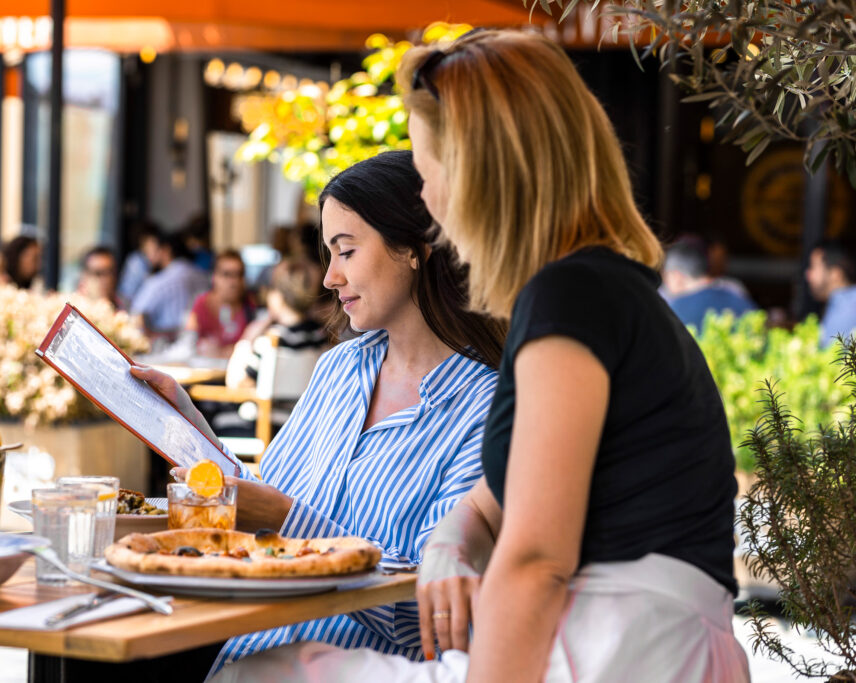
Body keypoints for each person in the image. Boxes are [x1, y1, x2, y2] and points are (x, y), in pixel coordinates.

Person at [213, 29, 748, 683]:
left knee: (266, 673)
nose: (428, 200)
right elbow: (517, 492)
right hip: (643, 646)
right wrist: (454, 534)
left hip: (614, 650)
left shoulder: (568, 298)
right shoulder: (600, 289)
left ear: (479, 170)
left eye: (428, 166)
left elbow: (535, 561)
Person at [130, 150, 506, 680]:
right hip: (240, 656)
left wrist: (285, 520)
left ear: (416, 249)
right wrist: (189, 430)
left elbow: (432, 618)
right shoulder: (340, 368)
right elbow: (265, 500)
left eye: (346, 251)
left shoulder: (487, 406)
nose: (329, 278)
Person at [226, 259, 329, 389]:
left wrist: (245, 342)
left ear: (278, 296)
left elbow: (236, 382)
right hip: (308, 408)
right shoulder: (320, 335)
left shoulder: (271, 340)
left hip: (270, 409)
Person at [663, 239, 757, 332]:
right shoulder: (738, 297)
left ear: (676, 277)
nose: (665, 286)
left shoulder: (674, 310)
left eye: (666, 279)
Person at [129, 232, 208, 338]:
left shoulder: (158, 281)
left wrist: (149, 338)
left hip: (165, 340)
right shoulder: (197, 273)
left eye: (151, 250)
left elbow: (136, 315)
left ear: (165, 249)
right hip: (198, 337)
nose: (148, 256)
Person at [182, 250, 256, 358]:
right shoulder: (200, 304)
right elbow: (187, 343)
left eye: (239, 275)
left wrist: (222, 353)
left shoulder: (249, 307)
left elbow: (254, 347)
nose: (233, 282)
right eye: (227, 274)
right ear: (214, 277)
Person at [805, 241, 856, 348]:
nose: (808, 275)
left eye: (813, 267)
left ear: (836, 273)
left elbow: (831, 358)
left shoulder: (847, 308)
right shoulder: (841, 302)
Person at [118, 220, 162, 302]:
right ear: (143, 242)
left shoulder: (144, 261)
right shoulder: (136, 260)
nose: (156, 246)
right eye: (152, 241)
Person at [77, 245, 125, 310]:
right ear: (85, 276)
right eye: (97, 273)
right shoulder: (72, 311)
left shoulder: (126, 309)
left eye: (108, 272)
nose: (103, 279)